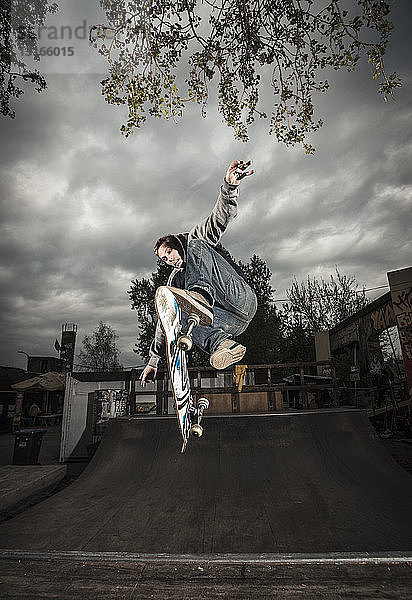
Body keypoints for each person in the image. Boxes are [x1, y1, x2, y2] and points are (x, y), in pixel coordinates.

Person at [141, 160, 258, 386]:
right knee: (175, 310)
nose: (170, 260)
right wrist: (153, 360)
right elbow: (161, 321)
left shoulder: (193, 241)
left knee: (197, 245)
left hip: (241, 299)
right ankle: (223, 345)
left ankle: (201, 296)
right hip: (231, 324)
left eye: (170, 252)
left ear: (176, 243)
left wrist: (229, 187)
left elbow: (218, 220)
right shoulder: (176, 279)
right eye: (164, 259)